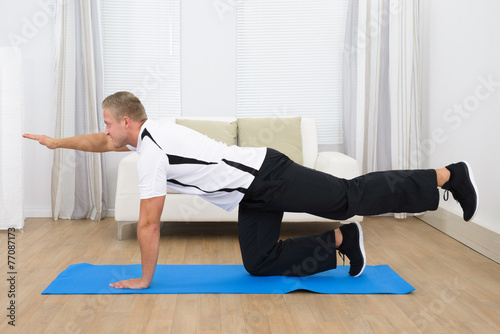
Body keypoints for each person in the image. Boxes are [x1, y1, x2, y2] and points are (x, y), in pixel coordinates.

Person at [23, 91, 479, 289]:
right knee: (258, 263)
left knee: (347, 196)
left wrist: (145, 278)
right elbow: (101, 144)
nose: (105, 132)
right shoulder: (148, 133)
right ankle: (342, 241)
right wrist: (56, 142)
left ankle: (447, 175)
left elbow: (148, 222)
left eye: (108, 122)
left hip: (267, 175)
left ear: (127, 121)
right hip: (250, 194)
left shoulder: (151, 153)